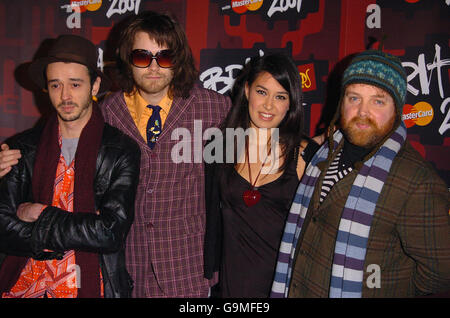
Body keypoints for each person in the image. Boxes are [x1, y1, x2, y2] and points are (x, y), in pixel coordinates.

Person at [271, 49, 450, 298]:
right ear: (341, 101)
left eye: (378, 101)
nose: (363, 111)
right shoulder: (326, 152)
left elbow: (440, 273)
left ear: (397, 109)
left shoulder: (417, 182)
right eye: (354, 98)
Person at [0, 34, 141, 298]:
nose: (65, 95)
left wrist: (39, 213)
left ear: (95, 85)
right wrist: (71, 232)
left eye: (75, 84)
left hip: (90, 285)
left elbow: (110, 233)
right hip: (22, 286)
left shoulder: (121, 150)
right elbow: (3, 226)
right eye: (56, 85)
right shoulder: (22, 148)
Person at [203, 54, 320, 297]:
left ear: (291, 103)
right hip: (231, 288)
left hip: (284, 287)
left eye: (280, 97)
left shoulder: (304, 156)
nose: (269, 106)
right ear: (247, 91)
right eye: (262, 92)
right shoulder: (221, 148)